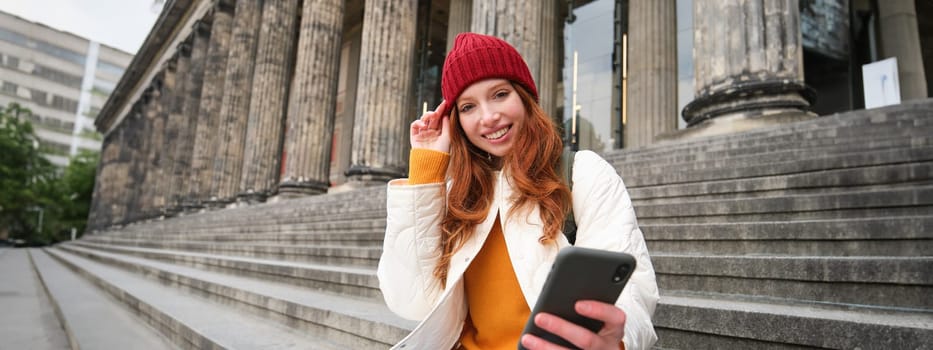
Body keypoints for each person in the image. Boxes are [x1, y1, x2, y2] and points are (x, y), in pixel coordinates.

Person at [377, 32, 659, 350]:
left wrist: (616, 340)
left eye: (500, 94)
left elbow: (633, 288)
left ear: (524, 96)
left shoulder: (583, 172)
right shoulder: (454, 195)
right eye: (468, 106)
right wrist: (427, 167)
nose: (488, 116)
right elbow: (410, 301)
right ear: (456, 121)